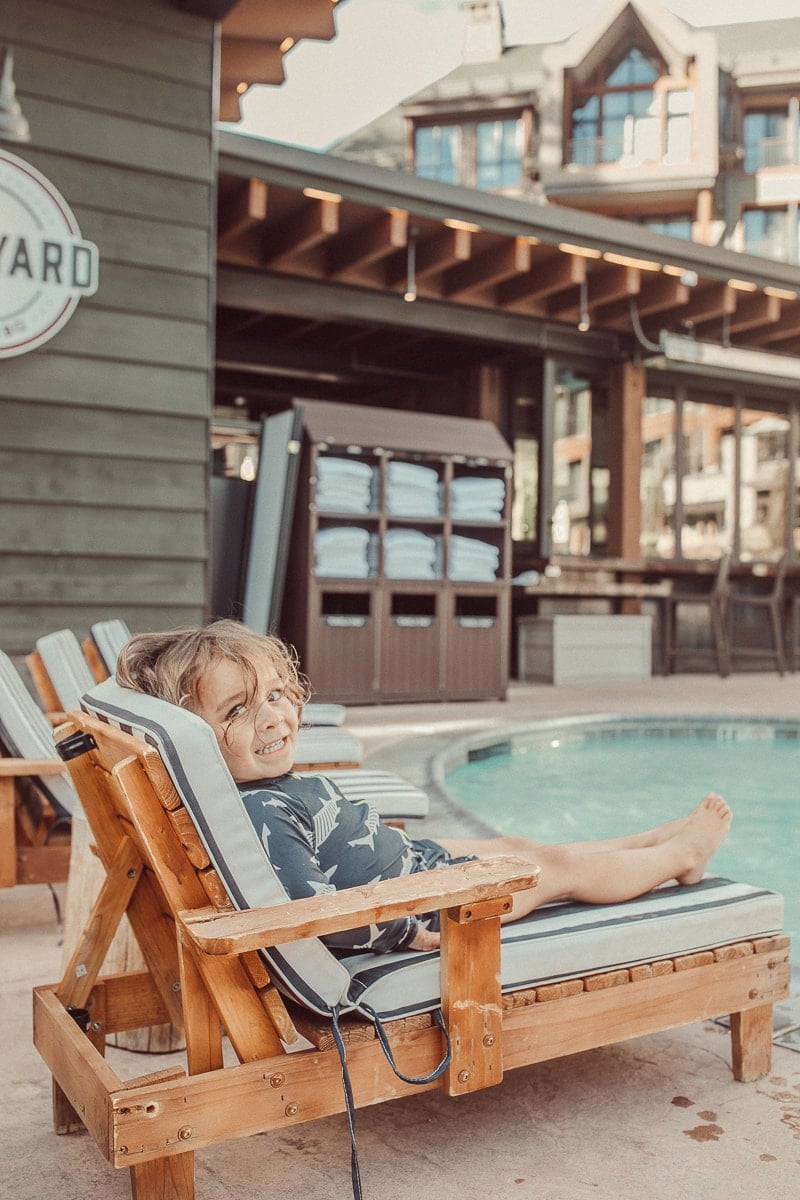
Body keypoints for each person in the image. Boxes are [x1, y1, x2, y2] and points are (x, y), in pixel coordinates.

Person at [116, 620, 732, 955]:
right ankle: (680, 857)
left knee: (522, 844)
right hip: (436, 903)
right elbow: (314, 917)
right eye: (239, 710)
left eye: (276, 695)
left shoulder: (259, 789)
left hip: (420, 870)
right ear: (199, 736)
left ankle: (650, 840)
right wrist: (412, 933)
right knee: (557, 867)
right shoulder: (261, 817)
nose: (274, 718)